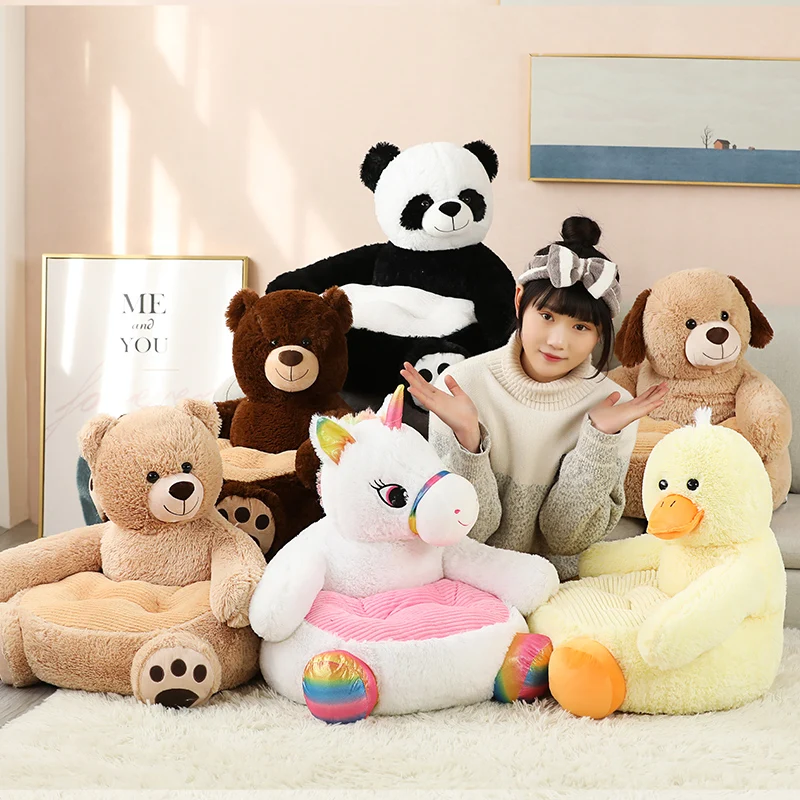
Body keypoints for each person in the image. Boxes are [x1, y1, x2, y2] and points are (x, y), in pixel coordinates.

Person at [401, 216, 667, 579]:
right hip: (467, 572)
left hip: (559, 581)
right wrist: (469, 440)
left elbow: (565, 539)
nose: (558, 341)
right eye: (546, 315)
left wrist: (599, 439)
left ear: (600, 333)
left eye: (581, 327)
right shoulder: (462, 385)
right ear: (519, 300)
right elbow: (468, 531)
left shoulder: (614, 407)